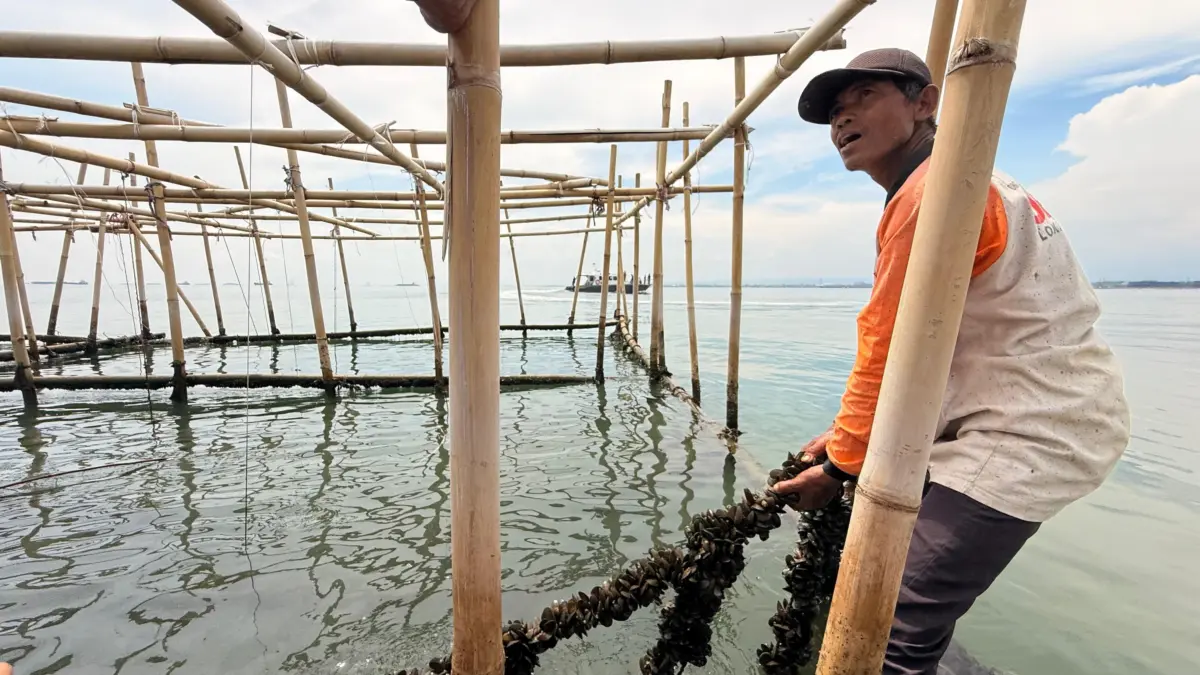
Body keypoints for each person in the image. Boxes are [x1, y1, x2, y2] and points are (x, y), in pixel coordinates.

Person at [772, 48, 1130, 675]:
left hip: (1027, 433)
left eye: (864, 98)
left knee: (889, 628)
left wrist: (837, 465)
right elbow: (930, 350)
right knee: (899, 605)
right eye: (834, 112)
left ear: (926, 102)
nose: (842, 121)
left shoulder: (929, 196)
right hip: (1034, 413)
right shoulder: (969, 178)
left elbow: (884, 348)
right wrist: (847, 439)